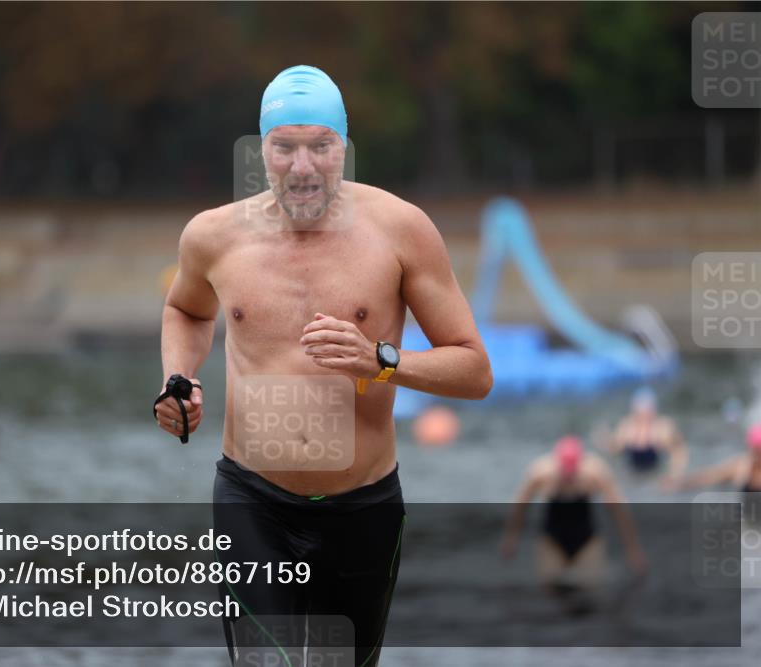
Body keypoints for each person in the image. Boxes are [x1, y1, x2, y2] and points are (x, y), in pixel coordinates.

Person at [155, 65, 491, 666]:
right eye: (285, 147)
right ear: (262, 150)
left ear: (345, 147)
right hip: (252, 500)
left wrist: (380, 360)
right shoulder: (213, 236)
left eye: (321, 146)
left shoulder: (401, 230)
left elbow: (474, 371)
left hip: (362, 506)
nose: (303, 167)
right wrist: (178, 380)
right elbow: (185, 309)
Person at [502, 436, 647, 592]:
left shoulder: (595, 473)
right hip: (552, 538)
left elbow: (619, 511)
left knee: (590, 591)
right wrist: (511, 538)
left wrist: (633, 550)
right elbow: (520, 506)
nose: (569, 479)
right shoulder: (540, 473)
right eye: (565, 475)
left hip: (586, 538)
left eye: (572, 475)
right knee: (551, 589)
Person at [605, 387, 688, 482]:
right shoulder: (626, 427)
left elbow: (679, 451)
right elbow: (614, 450)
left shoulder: (662, 427)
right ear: (634, 411)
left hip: (656, 474)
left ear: (653, 410)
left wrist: (674, 474)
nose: (644, 414)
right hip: (631, 474)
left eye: (647, 410)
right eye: (640, 411)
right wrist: (606, 441)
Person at [667, 424, 761, 494]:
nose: (757, 455)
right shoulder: (741, 465)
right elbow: (708, 477)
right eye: (755, 451)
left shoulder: (742, 466)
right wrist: (681, 483)